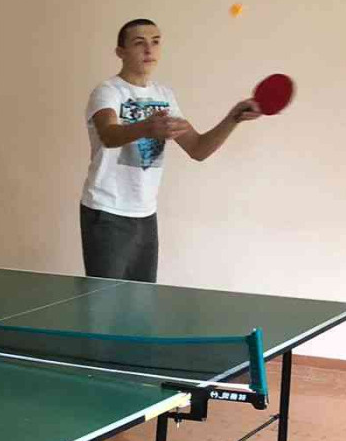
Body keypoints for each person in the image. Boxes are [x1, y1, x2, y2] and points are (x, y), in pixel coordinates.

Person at [80, 18, 262, 282]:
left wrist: (233, 117)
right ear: (121, 52)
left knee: (141, 299)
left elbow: (198, 148)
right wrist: (146, 127)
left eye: (155, 42)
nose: (149, 49)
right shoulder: (107, 91)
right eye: (139, 43)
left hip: (145, 214)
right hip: (106, 211)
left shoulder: (164, 95)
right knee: (104, 299)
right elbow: (108, 134)